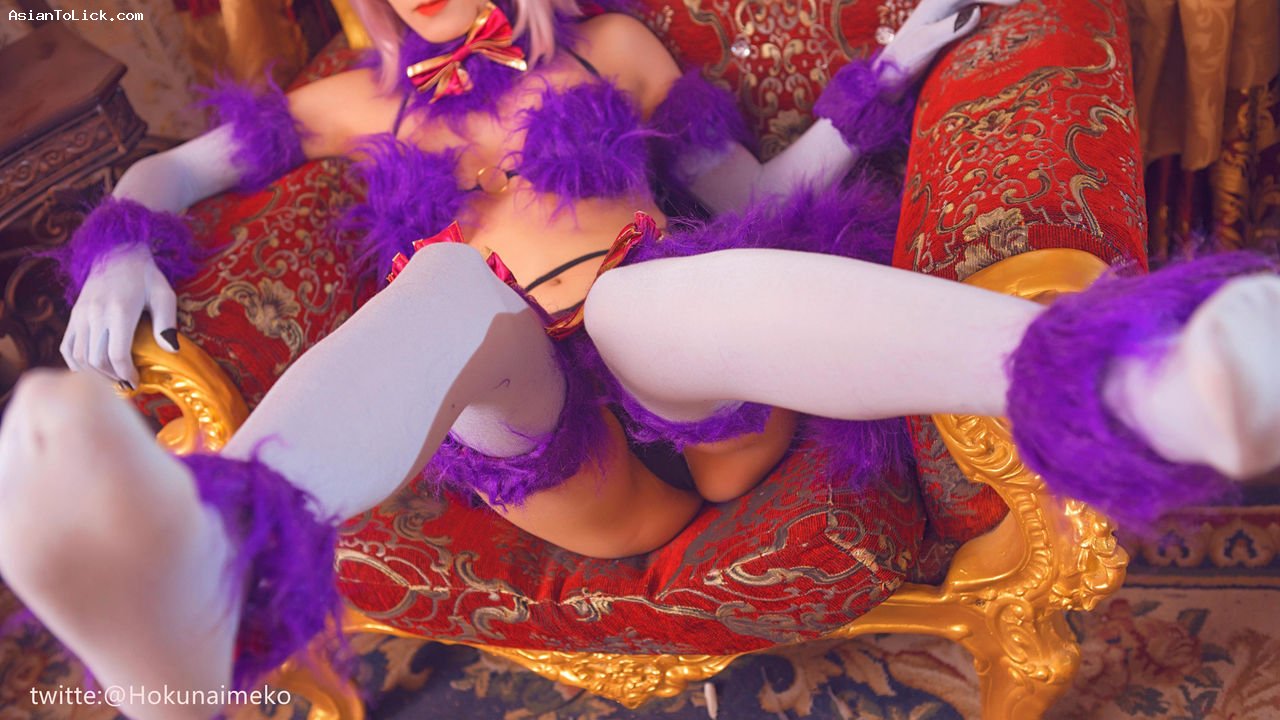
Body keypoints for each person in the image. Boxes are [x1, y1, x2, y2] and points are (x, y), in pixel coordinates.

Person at [2, 0, 1279, 717]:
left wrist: (887, 71)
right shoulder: (347, 102)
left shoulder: (608, 50)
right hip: (551, 448)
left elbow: (754, 195)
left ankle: (1123, 376)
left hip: (699, 393)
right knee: (447, 281)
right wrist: (120, 246)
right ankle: (220, 573)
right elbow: (173, 170)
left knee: (633, 302)